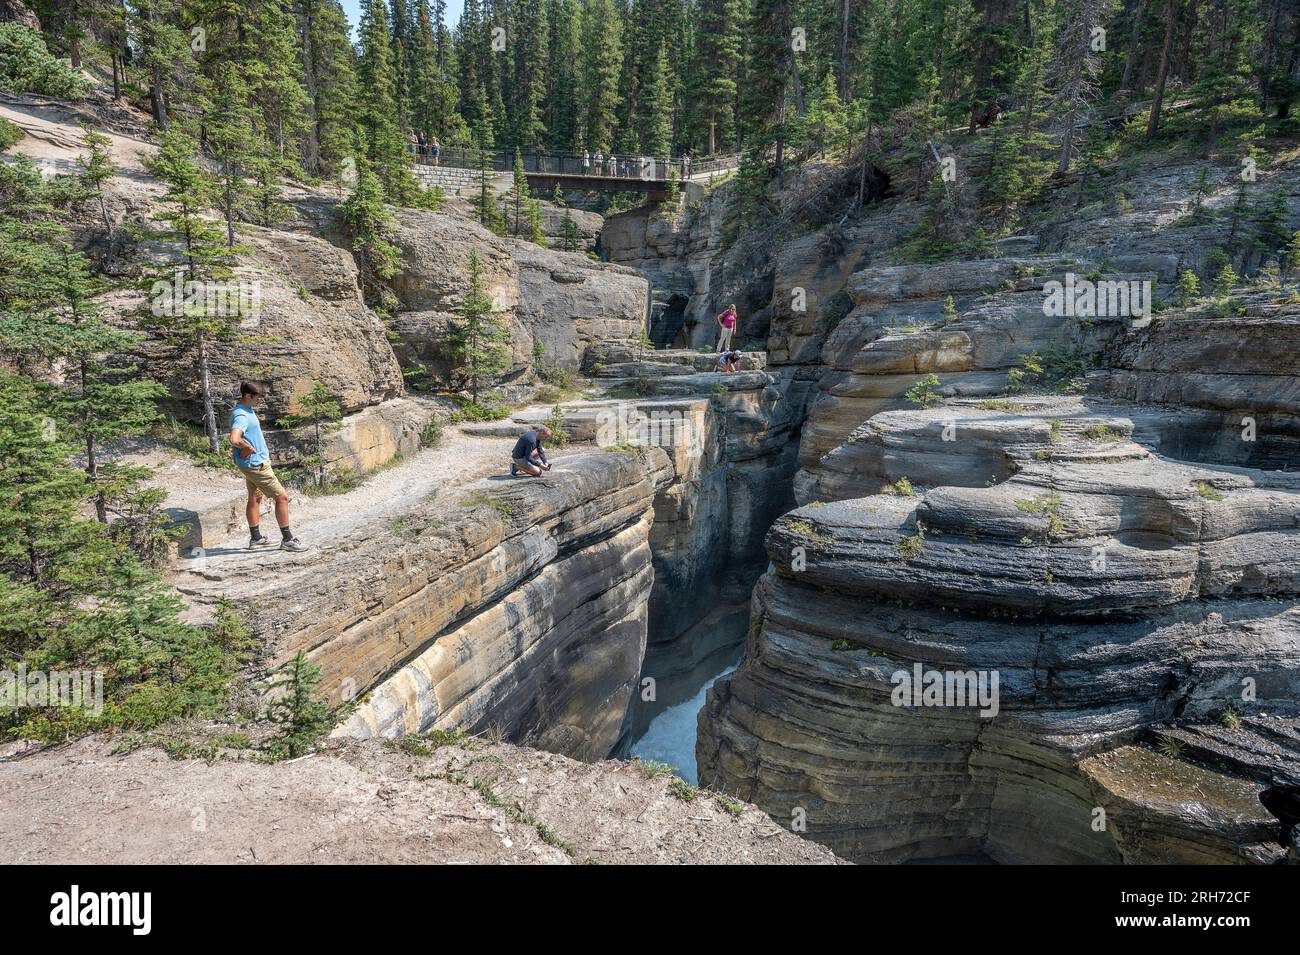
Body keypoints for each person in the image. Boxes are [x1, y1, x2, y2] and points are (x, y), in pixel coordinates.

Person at [229, 380, 307, 552]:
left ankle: (256, 538)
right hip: (256, 465)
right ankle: (287, 539)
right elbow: (234, 439)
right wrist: (246, 447)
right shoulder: (241, 415)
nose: (261, 401)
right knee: (282, 497)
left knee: (255, 497)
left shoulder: (245, 410)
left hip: (252, 464)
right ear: (248, 396)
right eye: (259, 397)